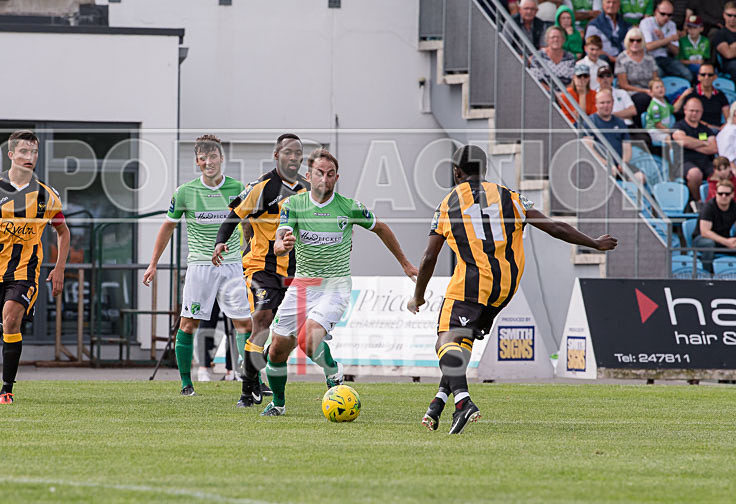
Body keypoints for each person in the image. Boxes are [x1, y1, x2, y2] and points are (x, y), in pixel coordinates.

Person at [407, 145, 617, 434]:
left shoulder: (448, 203)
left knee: (445, 341)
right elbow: (554, 227)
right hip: (504, 289)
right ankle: (438, 403)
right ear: (484, 170)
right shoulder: (511, 197)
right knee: (462, 343)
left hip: (470, 287)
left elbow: (429, 257)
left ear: (456, 172)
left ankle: (463, 402)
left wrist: (418, 295)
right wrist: (593, 242)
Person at [260, 149, 418, 417]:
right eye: (320, 173)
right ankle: (278, 404)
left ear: (337, 178)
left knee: (308, 339)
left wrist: (404, 263)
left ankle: (332, 370)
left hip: (335, 286)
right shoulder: (293, 205)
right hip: (303, 286)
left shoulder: (349, 207)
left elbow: (381, 227)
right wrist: (281, 246)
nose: (325, 179)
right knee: (276, 351)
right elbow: (280, 240)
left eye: (331, 174)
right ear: (309, 176)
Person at [212, 134, 341, 408]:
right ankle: (248, 390)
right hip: (262, 267)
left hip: (298, 271)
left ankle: (278, 370)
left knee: (292, 335)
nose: (293, 158)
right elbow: (234, 215)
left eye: (297, 153)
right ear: (276, 155)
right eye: (287, 153)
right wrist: (221, 241)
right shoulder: (262, 187)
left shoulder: (308, 190)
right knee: (261, 320)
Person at [0, 130, 69, 404]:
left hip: (26, 270)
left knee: (11, 317)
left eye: (34, 152)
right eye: (24, 152)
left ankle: (6, 389)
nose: (30, 157)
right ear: (11, 155)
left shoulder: (46, 195)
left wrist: (59, 268)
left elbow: (63, 232)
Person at [142, 135, 252, 396]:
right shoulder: (185, 192)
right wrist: (153, 263)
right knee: (188, 324)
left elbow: (249, 225)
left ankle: (248, 377)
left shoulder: (239, 189)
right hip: (200, 267)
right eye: (204, 158)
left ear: (221, 159)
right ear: (197, 162)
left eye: (213, 156)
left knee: (244, 324)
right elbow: (167, 227)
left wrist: (249, 256)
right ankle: (186, 383)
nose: (209, 162)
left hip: (233, 265)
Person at [586, 89, 641, 182]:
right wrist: (607, 164)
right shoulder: (590, 122)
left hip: (619, 165)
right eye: (602, 103)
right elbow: (589, 148)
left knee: (640, 177)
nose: (606, 106)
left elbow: (627, 147)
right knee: (612, 174)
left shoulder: (620, 122)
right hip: (599, 164)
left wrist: (624, 162)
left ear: (613, 103)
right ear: (596, 104)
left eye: (608, 102)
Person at [672, 96, 719, 202]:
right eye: (691, 110)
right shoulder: (679, 126)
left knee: (721, 173)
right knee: (695, 174)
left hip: (705, 162)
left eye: (697, 111)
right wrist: (703, 143)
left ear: (701, 112)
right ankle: (697, 201)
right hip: (684, 163)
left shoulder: (705, 129)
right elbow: (682, 141)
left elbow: (713, 148)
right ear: (685, 110)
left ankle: (714, 201)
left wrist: (692, 144)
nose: (694, 113)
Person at [615, 27, 660, 123]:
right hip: (630, 92)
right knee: (643, 99)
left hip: (649, 91)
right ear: (627, 41)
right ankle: (639, 127)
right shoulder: (621, 58)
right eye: (632, 40)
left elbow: (655, 80)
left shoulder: (649, 58)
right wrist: (645, 91)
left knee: (665, 99)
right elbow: (623, 85)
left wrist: (655, 91)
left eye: (638, 40)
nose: (635, 43)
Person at [639, 1, 692, 81]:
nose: (666, 17)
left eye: (669, 15)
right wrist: (667, 39)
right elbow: (648, 46)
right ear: (656, 12)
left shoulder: (671, 24)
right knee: (659, 76)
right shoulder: (646, 22)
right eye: (663, 14)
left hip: (665, 58)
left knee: (687, 75)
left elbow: (676, 51)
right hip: (649, 58)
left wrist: (666, 42)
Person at [692, 179, 736, 272]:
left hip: (723, 239)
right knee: (709, 244)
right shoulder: (709, 207)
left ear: (732, 195)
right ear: (716, 193)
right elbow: (705, 232)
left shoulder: (734, 207)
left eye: (727, 194)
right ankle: (708, 275)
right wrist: (726, 242)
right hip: (702, 239)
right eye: (720, 193)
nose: (723, 196)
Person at [673, 63, 730, 133]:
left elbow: (728, 118)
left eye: (710, 75)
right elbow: (680, 113)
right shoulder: (691, 93)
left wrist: (724, 126)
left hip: (718, 130)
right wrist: (708, 126)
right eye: (703, 75)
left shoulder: (721, 95)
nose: (706, 77)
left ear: (715, 77)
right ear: (698, 77)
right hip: (698, 131)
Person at [644, 77, 674, 144]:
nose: (660, 89)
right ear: (651, 92)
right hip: (654, 132)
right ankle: (674, 154)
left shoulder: (664, 101)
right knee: (672, 139)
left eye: (662, 87)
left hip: (663, 130)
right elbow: (658, 125)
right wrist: (672, 132)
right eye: (657, 87)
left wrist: (683, 96)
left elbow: (674, 109)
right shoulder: (655, 107)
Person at [712, 2, 736, 79]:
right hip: (729, 66)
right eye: (729, 15)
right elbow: (728, 54)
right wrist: (730, 50)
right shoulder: (720, 34)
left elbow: (731, 51)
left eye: (735, 16)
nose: (732, 18)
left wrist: (732, 47)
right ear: (724, 15)